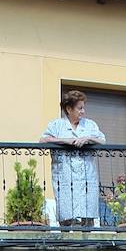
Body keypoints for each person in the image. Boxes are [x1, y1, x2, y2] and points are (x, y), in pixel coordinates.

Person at [40, 90, 105, 229]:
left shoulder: (90, 125)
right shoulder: (56, 125)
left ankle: (88, 245)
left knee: (87, 216)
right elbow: (43, 140)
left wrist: (88, 138)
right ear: (69, 109)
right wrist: (65, 140)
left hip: (86, 174)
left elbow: (102, 140)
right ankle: (65, 244)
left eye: (83, 107)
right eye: (80, 108)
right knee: (66, 214)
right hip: (64, 175)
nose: (83, 111)